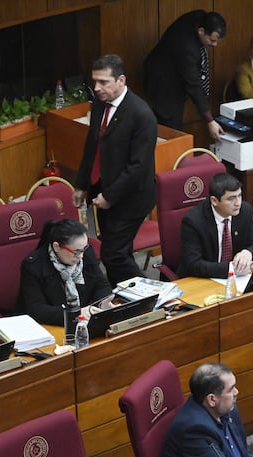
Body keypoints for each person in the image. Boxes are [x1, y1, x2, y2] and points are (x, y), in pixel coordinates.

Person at [73, 54, 157, 287]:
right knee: (118, 250)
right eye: (94, 82)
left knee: (113, 255)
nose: (96, 88)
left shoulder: (142, 115)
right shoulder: (100, 103)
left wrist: (110, 196)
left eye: (103, 82)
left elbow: (138, 167)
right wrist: (82, 184)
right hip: (103, 188)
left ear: (121, 80)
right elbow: (93, 144)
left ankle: (153, 297)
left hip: (131, 197)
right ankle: (125, 302)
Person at [144, 10, 226, 141]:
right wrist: (210, 120)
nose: (215, 45)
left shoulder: (200, 16)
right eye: (212, 40)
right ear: (201, 31)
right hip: (163, 84)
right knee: (172, 132)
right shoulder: (187, 49)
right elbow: (194, 85)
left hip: (175, 72)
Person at [16, 219, 112, 326]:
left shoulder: (85, 253)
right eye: (76, 252)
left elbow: (102, 285)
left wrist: (99, 304)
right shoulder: (34, 265)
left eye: (84, 249)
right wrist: (76, 314)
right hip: (52, 325)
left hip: (85, 321)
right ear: (56, 247)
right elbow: (37, 310)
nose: (81, 256)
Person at [178, 173, 253, 279]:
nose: (238, 203)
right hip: (203, 279)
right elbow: (194, 264)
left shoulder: (244, 211)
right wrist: (231, 269)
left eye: (239, 195)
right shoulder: (193, 221)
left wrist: (248, 253)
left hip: (237, 279)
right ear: (214, 201)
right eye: (231, 198)